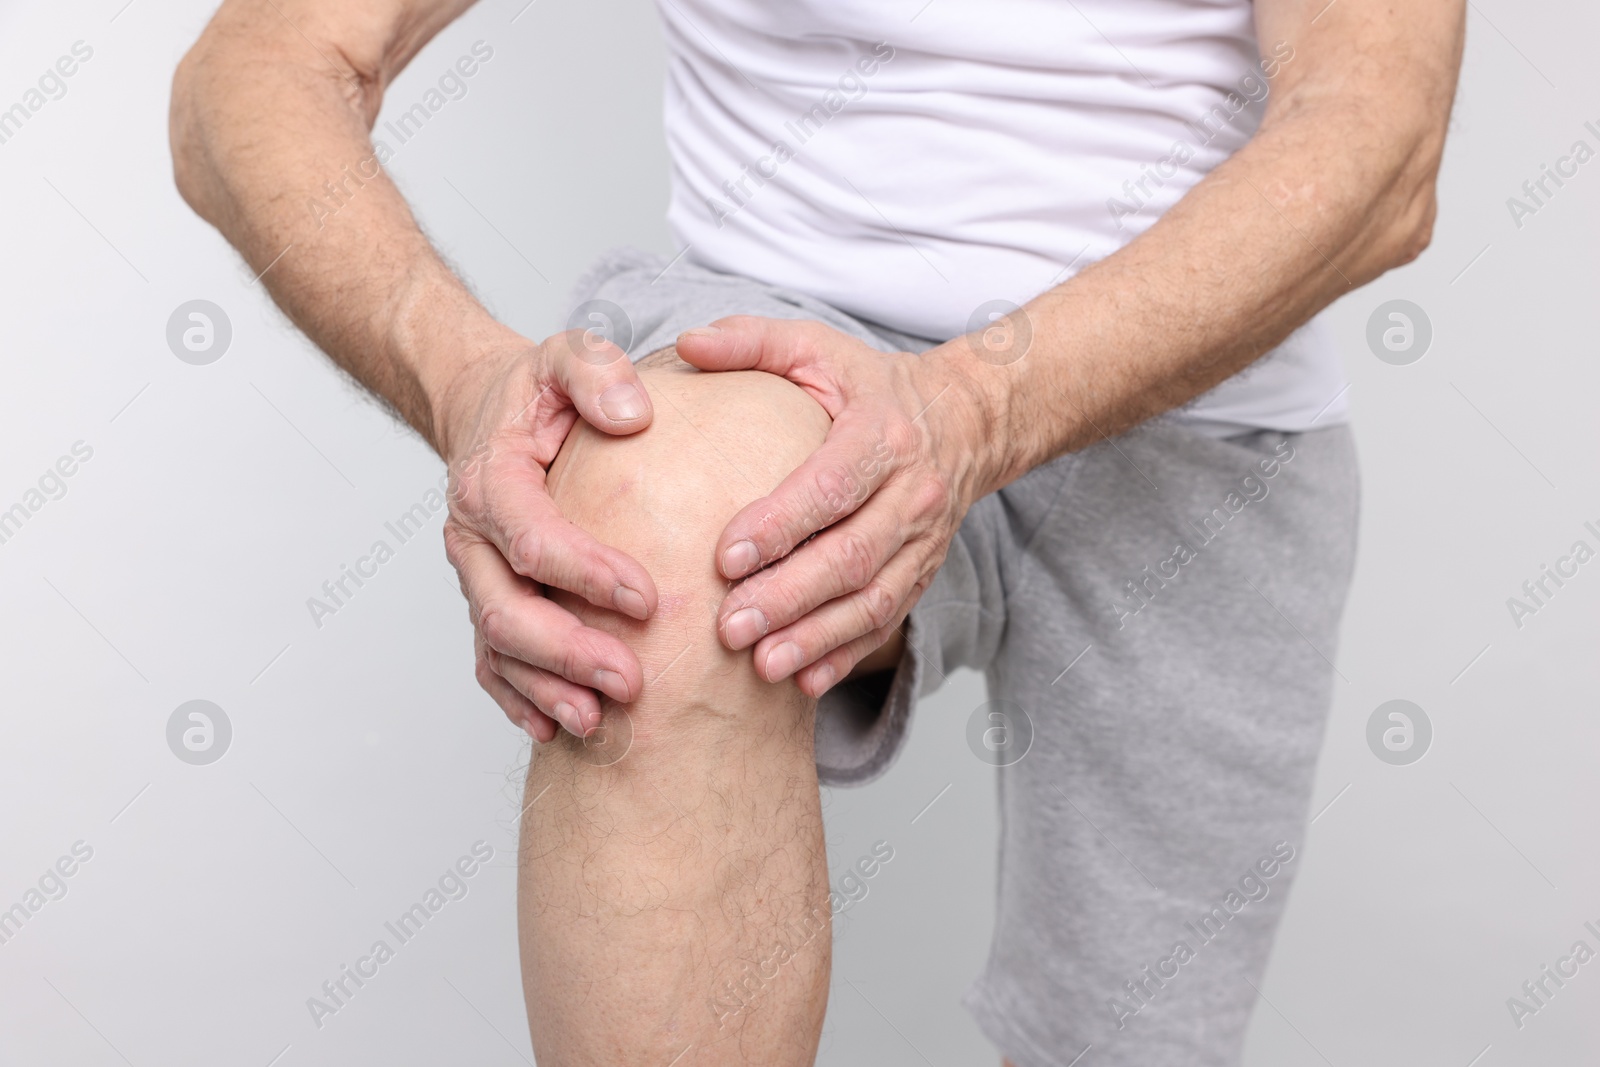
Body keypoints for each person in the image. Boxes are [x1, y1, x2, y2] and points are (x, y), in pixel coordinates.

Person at [170, 1, 1464, 1063]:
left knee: (1132, 1044)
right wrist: (463, 388)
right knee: (647, 552)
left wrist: (976, 407)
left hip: (1201, 400)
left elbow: (1381, 140)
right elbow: (253, 70)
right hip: (784, 328)